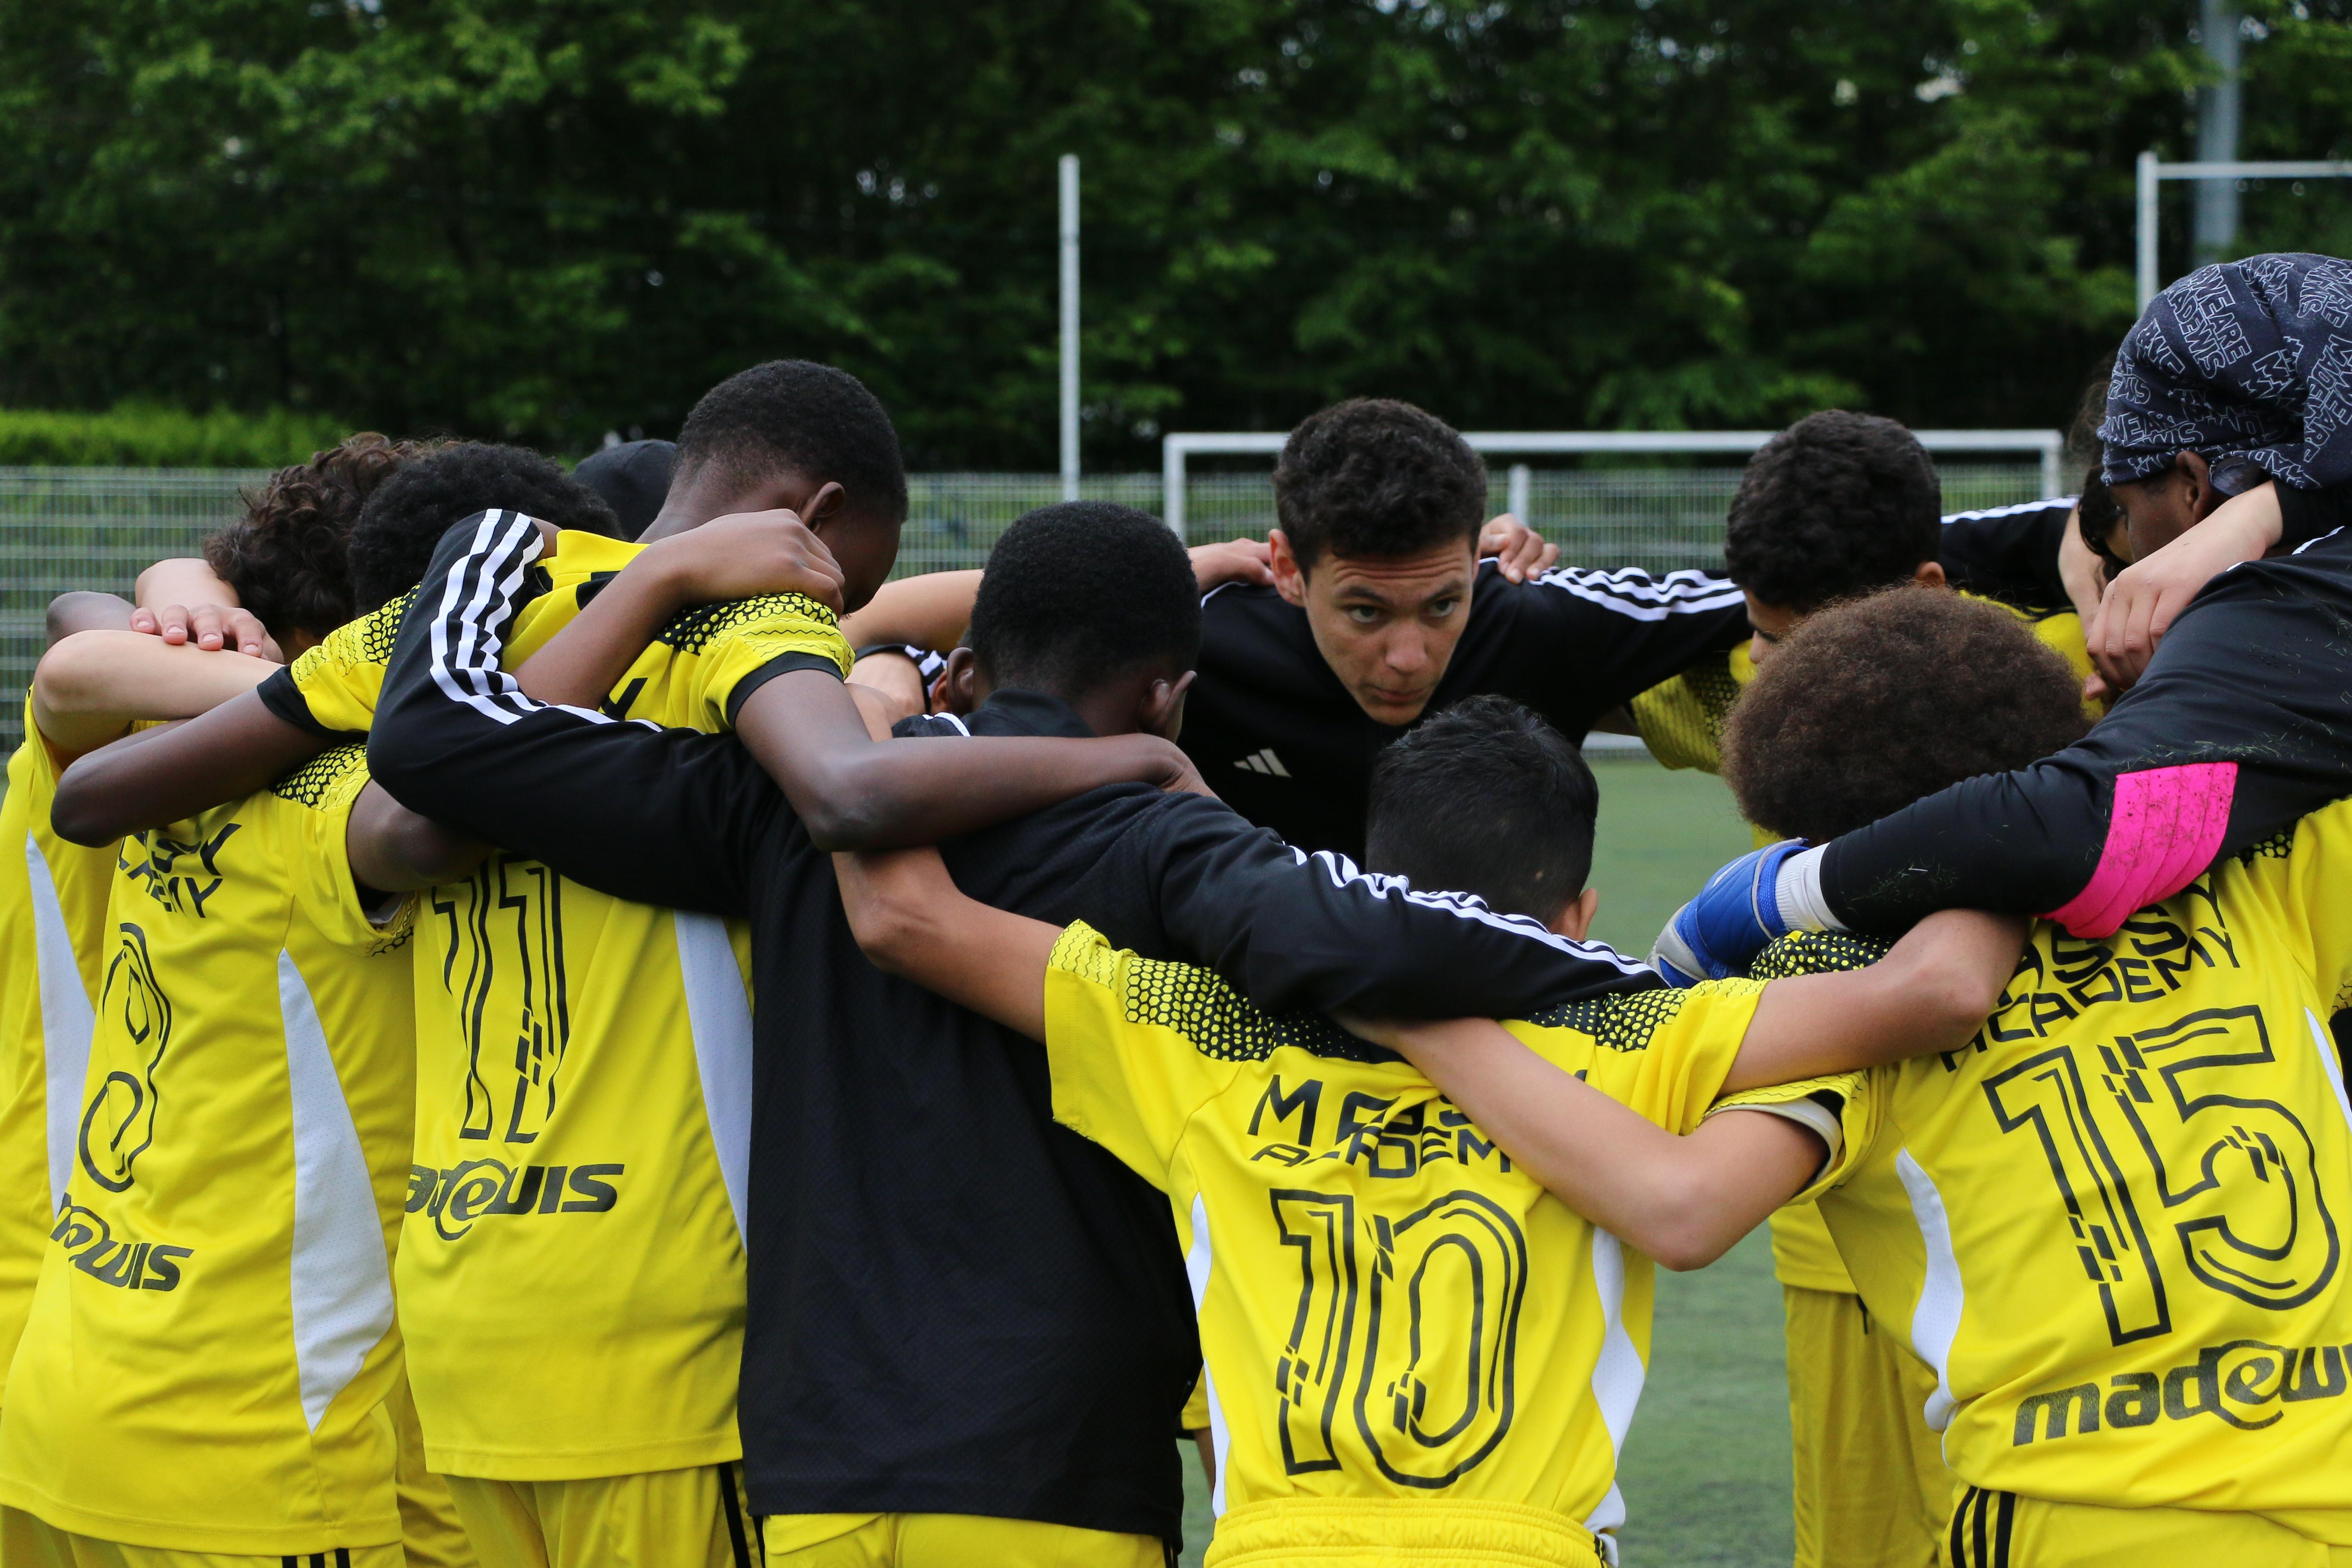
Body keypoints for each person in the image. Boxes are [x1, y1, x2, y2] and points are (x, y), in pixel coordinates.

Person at [361, 499, 1706, 1565]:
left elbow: (442, 751)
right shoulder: (1169, 837)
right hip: (1051, 1476)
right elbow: (1380, 934)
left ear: (968, 662)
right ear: (1171, 696)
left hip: (813, 1473)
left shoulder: (774, 808)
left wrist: (478, 546)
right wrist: (1637, 989)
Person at [55, 400, 1211, 1567]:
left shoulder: (437, 648)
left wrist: (175, 587)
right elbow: (846, 785)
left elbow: (90, 780)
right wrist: (1098, 746)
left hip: (464, 1332)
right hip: (661, 1348)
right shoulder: (748, 625)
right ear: (807, 524)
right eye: (845, 578)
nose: (839, 605)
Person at [824, 695, 2021, 1568]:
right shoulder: (1638, 1035)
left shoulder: (1203, 1029)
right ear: (1576, 914)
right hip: (1523, 1548)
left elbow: (903, 916)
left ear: (1364, 880)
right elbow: (1934, 986)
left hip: (1273, 1549)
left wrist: (874, 694)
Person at [1417, 588, 2352, 1562]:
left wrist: (1426, 1022)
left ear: (1815, 838)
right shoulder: (2240, 879)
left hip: (2079, 1508)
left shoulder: (1833, 991)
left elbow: (1681, 1206)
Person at [0, 448, 490, 1566]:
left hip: (60, 1385)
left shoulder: (116, 734)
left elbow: (84, 633)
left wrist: (183, 593)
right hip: (268, 1450)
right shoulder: (340, 800)